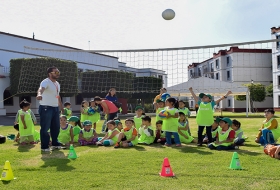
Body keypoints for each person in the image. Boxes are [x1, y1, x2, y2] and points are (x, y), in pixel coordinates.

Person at [36, 66, 64, 151]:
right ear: (50, 74)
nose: (57, 74)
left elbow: (57, 96)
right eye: (55, 72)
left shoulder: (57, 84)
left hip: (55, 108)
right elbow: (41, 89)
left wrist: (61, 106)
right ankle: (44, 146)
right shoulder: (45, 81)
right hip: (46, 107)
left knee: (56, 127)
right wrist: (39, 94)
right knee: (45, 128)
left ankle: (55, 143)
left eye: (58, 72)